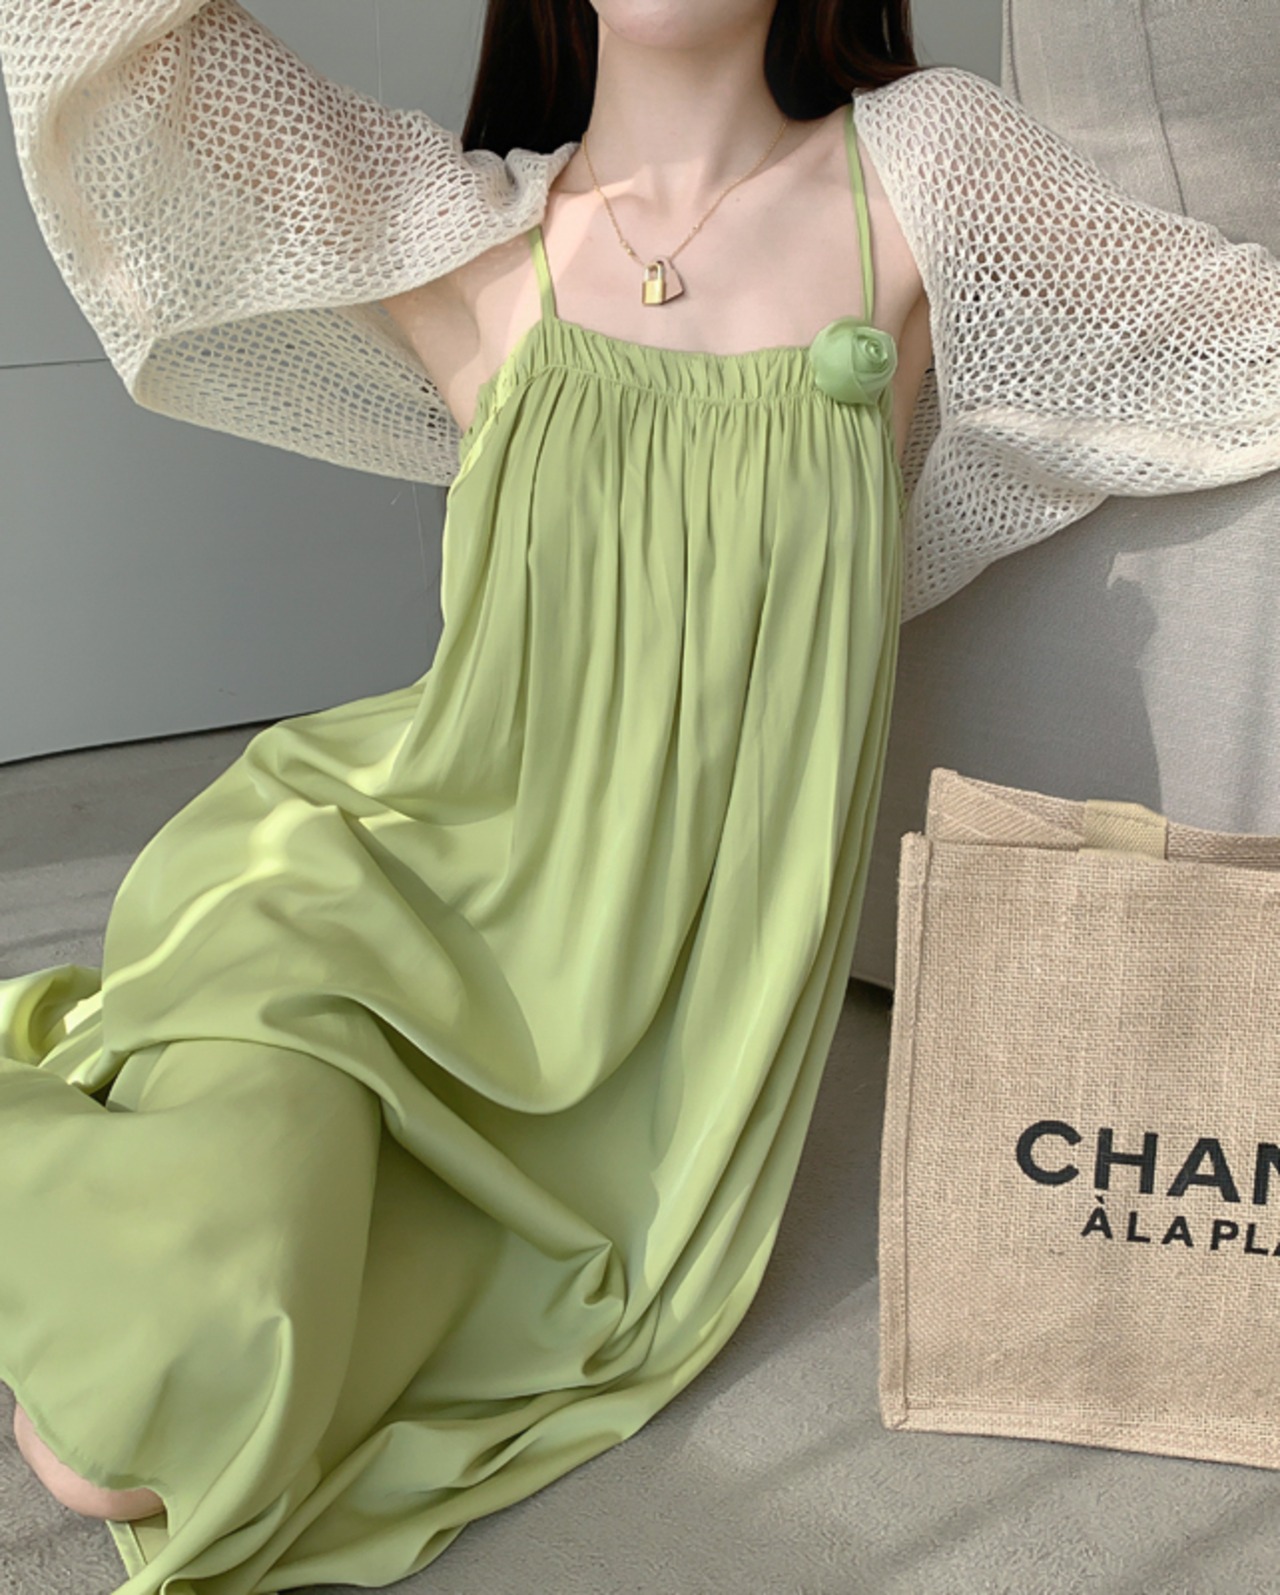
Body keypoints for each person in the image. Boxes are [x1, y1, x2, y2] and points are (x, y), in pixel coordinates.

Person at [0, 3, 1277, 1591]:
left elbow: (1240, 337)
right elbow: (97, 41)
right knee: (127, 1431)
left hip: (649, 1021)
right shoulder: (473, 244)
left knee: (171, 1424)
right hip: (362, 913)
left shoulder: (920, 172)